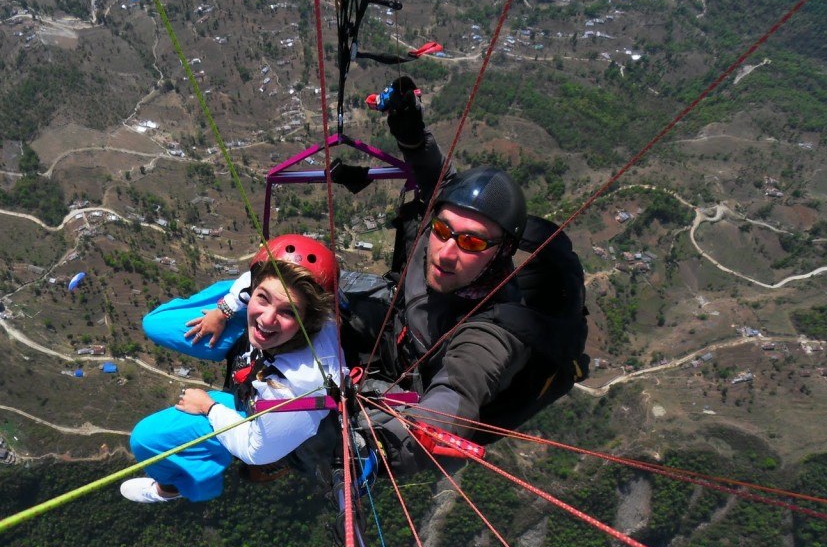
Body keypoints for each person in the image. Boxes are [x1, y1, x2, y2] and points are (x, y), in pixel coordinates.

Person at [336, 78, 588, 472]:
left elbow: (459, 388)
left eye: (472, 243)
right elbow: (437, 177)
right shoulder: (440, 225)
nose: (447, 252)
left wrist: (396, 440)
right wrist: (411, 130)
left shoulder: (496, 330)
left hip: (408, 389)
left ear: (502, 252)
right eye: (442, 231)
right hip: (395, 324)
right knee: (305, 281)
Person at [121, 235, 345, 503]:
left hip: (252, 403)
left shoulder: (297, 386)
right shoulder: (302, 306)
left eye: (288, 312)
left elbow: (256, 451)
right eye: (262, 297)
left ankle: (174, 487)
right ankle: (263, 301)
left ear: (308, 321)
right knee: (156, 323)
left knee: (146, 440)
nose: (267, 318)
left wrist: (209, 408)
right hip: (252, 351)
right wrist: (224, 310)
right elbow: (251, 280)